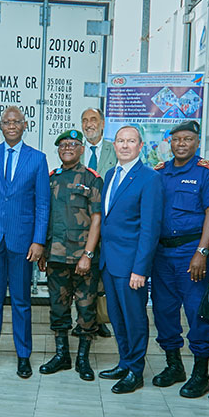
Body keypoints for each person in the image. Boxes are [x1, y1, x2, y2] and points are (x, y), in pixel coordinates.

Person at [0, 106, 51, 378]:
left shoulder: (38, 159)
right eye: (7, 121)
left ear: (25, 124)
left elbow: (42, 204)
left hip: (22, 242)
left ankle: (23, 355)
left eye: (16, 121)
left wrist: (38, 241)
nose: (12, 125)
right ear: (1, 126)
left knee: (21, 302)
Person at [150, 120, 209, 398]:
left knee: (196, 312)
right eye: (177, 139)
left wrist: (202, 252)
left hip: (191, 253)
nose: (181, 144)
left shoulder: (207, 172)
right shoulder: (159, 172)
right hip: (162, 254)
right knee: (164, 311)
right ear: (170, 142)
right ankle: (173, 365)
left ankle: (200, 374)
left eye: (187, 139)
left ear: (197, 142)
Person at [97, 125, 163, 394]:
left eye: (131, 141)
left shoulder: (149, 178)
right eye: (120, 141)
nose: (125, 145)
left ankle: (136, 370)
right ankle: (124, 361)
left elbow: (150, 228)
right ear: (114, 146)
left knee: (134, 318)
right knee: (117, 317)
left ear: (140, 146)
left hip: (131, 265)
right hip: (109, 262)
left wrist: (140, 269)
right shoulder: (111, 174)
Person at [37, 130, 102, 381]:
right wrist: (42, 248)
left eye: (73, 144)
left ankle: (83, 359)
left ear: (82, 149)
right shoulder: (51, 178)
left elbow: (97, 219)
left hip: (82, 259)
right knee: (58, 308)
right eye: (63, 145)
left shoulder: (92, 179)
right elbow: (45, 216)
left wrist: (87, 254)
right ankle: (62, 355)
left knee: (86, 310)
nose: (67, 148)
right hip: (55, 256)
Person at [79, 107, 116, 339]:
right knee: (82, 275)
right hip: (82, 226)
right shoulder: (75, 150)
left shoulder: (116, 149)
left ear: (102, 124)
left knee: (103, 274)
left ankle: (99, 318)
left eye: (93, 120)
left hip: (111, 224)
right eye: (85, 121)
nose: (89, 124)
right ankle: (82, 319)